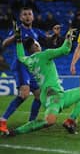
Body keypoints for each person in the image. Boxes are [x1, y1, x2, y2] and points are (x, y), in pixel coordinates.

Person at [8, 24, 80, 136]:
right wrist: (68, 38)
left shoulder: (28, 60)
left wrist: (18, 40)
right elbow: (65, 50)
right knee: (49, 121)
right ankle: (17, 131)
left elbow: (20, 56)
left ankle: (70, 121)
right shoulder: (45, 54)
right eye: (36, 42)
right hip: (52, 96)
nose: (38, 43)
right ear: (35, 45)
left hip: (57, 94)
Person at [0, 7, 48, 135]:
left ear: (33, 17)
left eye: (29, 14)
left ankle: (31, 122)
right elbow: (4, 43)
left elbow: (48, 39)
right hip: (21, 65)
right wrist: (14, 37)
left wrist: (55, 34)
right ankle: (2, 121)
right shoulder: (18, 30)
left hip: (31, 67)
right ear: (21, 18)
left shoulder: (35, 31)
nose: (27, 16)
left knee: (39, 95)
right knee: (24, 94)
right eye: (25, 14)